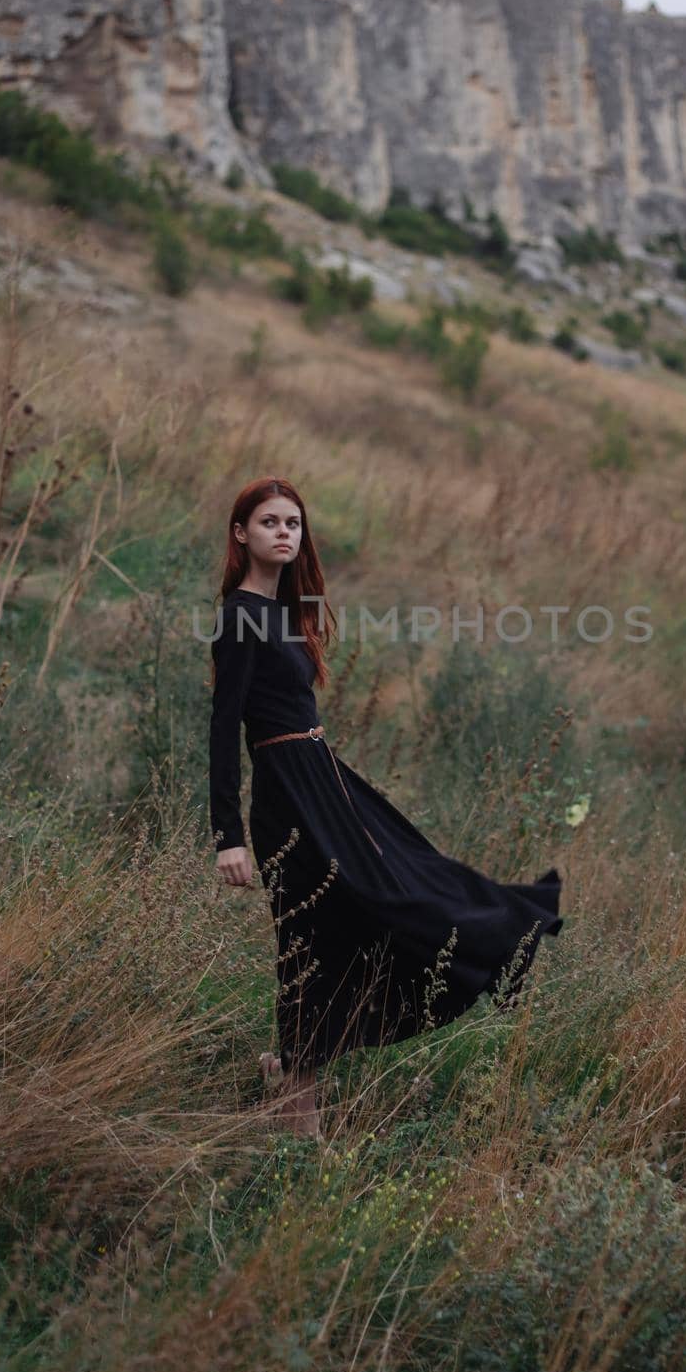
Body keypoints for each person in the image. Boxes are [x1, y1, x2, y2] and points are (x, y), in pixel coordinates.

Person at [209, 476, 564, 1141]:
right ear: (240, 535)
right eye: (269, 523)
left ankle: (288, 1065)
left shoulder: (284, 613)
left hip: (325, 780)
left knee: (403, 892)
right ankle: (296, 1101)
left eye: (293, 523)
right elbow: (223, 729)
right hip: (287, 796)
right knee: (309, 940)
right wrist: (229, 835)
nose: (284, 533)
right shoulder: (237, 619)